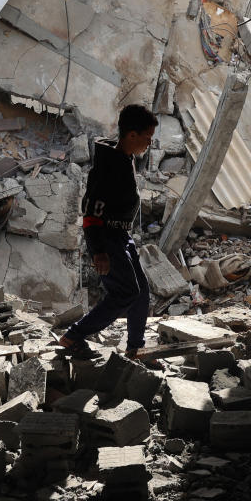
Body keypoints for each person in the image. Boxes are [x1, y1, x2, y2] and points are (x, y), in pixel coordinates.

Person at [57, 104, 158, 362]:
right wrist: (98, 251)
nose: (149, 143)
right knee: (125, 293)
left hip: (122, 236)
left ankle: (136, 347)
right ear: (132, 135)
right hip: (107, 239)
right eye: (147, 137)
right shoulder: (107, 167)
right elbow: (90, 211)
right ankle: (74, 336)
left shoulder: (126, 159)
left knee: (141, 292)